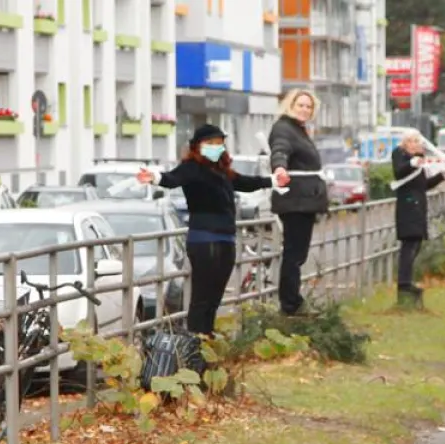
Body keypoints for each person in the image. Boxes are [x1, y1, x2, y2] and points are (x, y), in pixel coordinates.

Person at [136, 124, 289, 335]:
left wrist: (273, 181)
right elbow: (172, 179)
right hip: (205, 241)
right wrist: (155, 178)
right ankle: (196, 345)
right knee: (202, 298)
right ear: (197, 146)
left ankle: (206, 342)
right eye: (210, 143)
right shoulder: (191, 167)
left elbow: (245, 182)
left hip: (226, 240)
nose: (215, 147)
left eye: (219, 143)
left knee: (214, 300)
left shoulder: (221, 171)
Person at [267, 89, 328, 317]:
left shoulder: (299, 130)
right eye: (300, 105)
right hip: (296, 202)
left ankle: (293, 300)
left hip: (304, 201)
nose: (304, 109)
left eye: (308, 106)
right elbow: (280, 150)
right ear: (290, 106)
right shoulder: (284, 129)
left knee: (298, 254)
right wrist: (280, 167)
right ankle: (290, 303)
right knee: (294, 254)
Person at [391, 133, 445, 298]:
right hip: (408, 206)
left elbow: (423, 185)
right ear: (406, 143)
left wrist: (442, 176)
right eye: (412, 141)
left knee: (416, 243)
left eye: (418, 141)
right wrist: (411, 163)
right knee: (409, 244)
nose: (416, 144)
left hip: (419, 206)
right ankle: (404, 284)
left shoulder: (419, 159)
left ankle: (407, 281)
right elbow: (399, 172)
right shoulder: (399, 154)